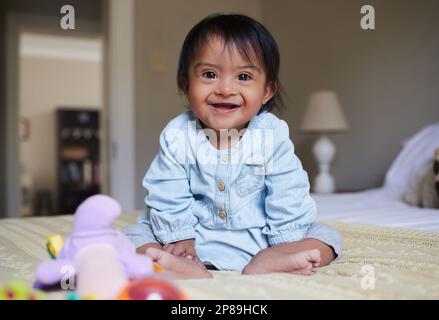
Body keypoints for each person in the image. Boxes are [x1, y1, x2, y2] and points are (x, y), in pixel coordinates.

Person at [123, 14, 342, 279]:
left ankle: (273, 261)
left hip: (262, 238)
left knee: (326, 236)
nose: (225, 88)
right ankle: (184, 267)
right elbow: (167, 192)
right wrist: (180, 237)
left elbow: (289, 193)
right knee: (134, 233)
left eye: (244, 76)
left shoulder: (271, 135)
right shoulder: (178, 135)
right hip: (192, 241)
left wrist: (286, 241)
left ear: (267, 91)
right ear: (185, 84)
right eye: (209, 74)